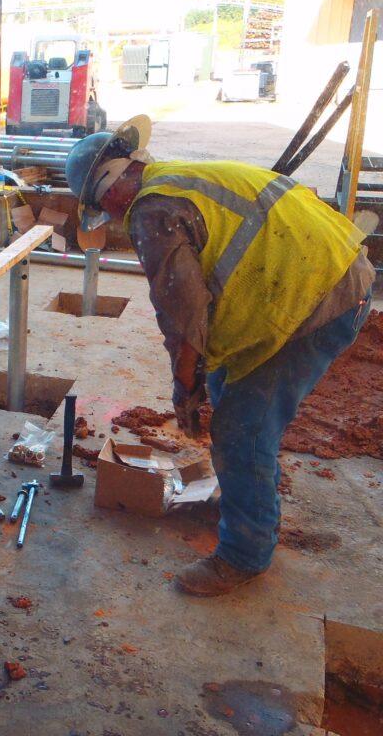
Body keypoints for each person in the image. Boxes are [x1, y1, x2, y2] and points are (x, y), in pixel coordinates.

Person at [66, 115, 375, 597]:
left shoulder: (152, 211)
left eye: (102, 208)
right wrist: (199, 378)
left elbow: (184, 316)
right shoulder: (177, 179)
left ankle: (243, 556)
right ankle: (237, 494)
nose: (110, 216)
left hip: (315, 302)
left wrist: (182, 387)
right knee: (226, 387)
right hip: (327, 275)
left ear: (107, 194)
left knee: (241, 429)